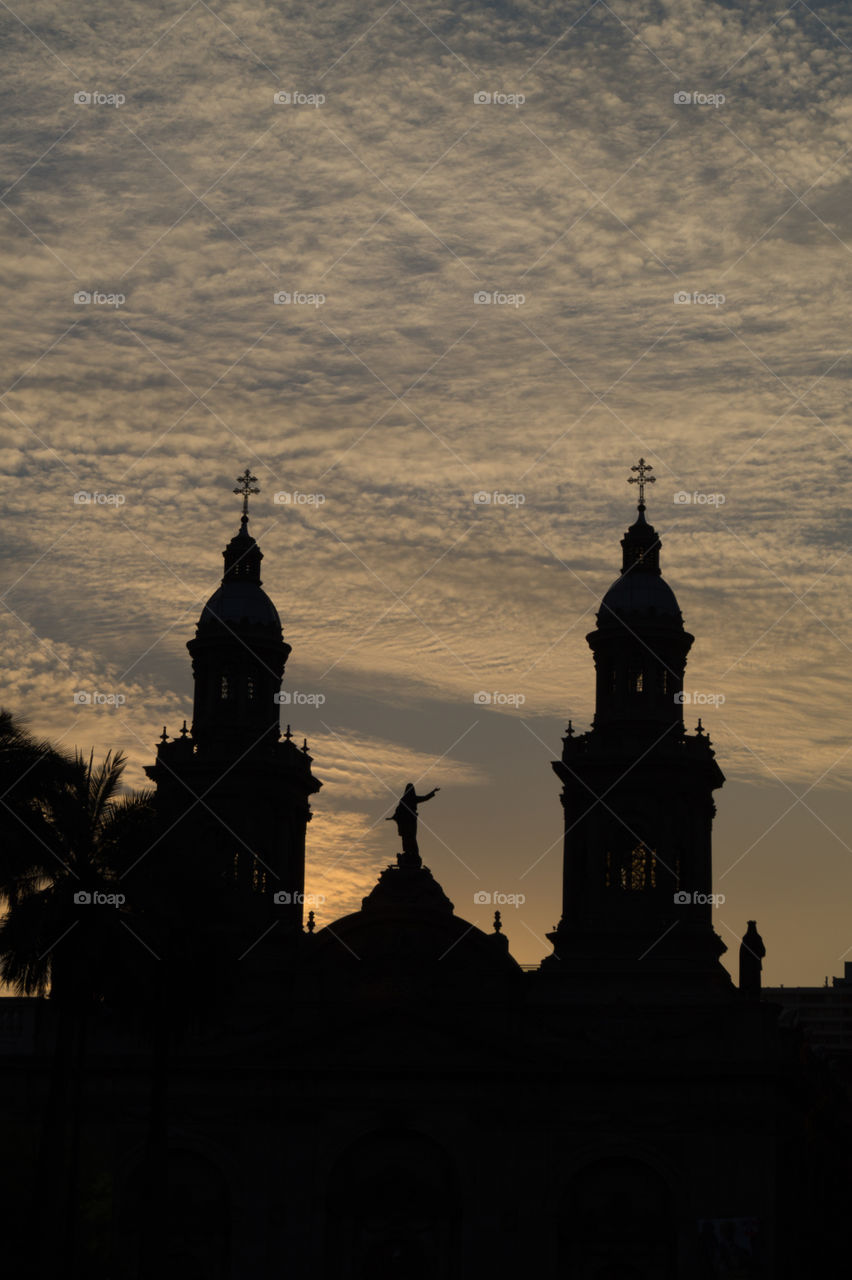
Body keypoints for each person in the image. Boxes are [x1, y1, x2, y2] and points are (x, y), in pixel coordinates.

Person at [386, 782, 439, 863]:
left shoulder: (407, 799)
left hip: (410, 821)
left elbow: (425, 798)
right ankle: (409, 852)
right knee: (408, 837)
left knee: (410, 837)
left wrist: (433, 792)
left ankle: (413, 853)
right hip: (407, 822)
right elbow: (399, 810)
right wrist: (394, 817)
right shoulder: (406, 800)